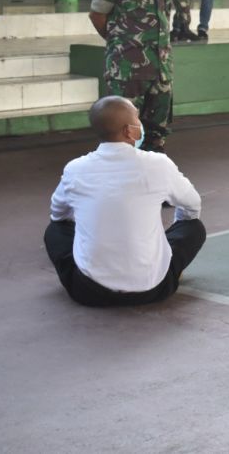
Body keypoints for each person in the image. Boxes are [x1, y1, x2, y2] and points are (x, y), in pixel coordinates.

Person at [45, 96, 206, 307]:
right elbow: (192, 206)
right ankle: (168, 268)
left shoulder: (75, 169)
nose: (141, 124)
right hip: (155, 289)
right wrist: (173, 233)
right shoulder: (158, 164)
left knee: (55, 230)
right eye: (137, 119)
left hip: (87, 292)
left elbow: (58, 214)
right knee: (194, 227)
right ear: (129, 131)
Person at [90, 0, 187, 152]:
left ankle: (153, 185)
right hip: (127, 72)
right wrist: (121, 44)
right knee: (123, 139)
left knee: (157, 138)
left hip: (160, 70)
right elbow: (98, 15)